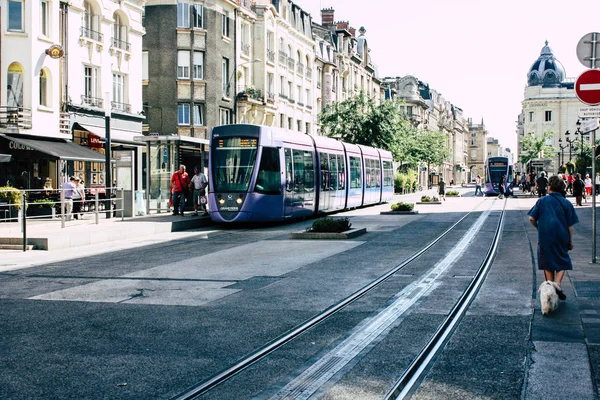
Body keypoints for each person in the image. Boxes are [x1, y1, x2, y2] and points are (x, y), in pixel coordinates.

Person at [528, 175, 578, 301]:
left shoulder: (542, 201)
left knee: (547, 262)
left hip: (546, 236)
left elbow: (531, 218)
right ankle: (558, 285)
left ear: (549, 187)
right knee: (563, 260)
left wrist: (538, 227)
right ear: (562, 188)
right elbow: (570, 225)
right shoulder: (566, 203)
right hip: (562, 235)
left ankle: (550, 287)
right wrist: (570, 240)